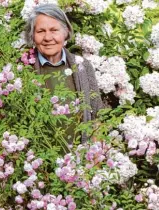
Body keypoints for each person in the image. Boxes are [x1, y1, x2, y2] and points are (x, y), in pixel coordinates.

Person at [25, 4, 105, 143]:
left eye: (54, 30)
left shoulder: (83, 66)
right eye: (41, 31)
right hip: (39, 158)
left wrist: (93, 159)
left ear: (65, 32)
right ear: (32, 35)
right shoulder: (23, 69)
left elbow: (97, 117)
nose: (48, 37)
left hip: (80, 157)